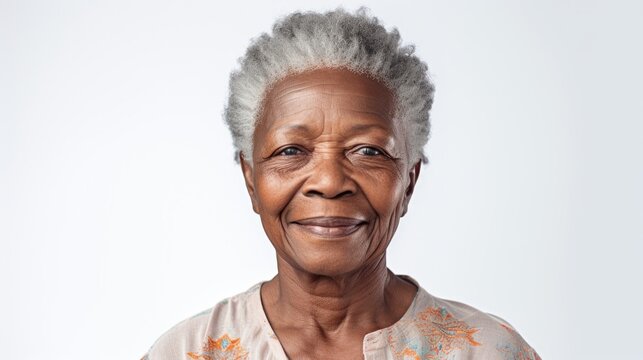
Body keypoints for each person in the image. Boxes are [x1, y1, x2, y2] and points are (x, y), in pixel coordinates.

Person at [142, 7, 540, 360]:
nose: (330, 182)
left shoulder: (485, 352)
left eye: (368, 151)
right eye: (290, 151)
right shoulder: (188, 352)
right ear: (252, 181)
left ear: (409, 183)